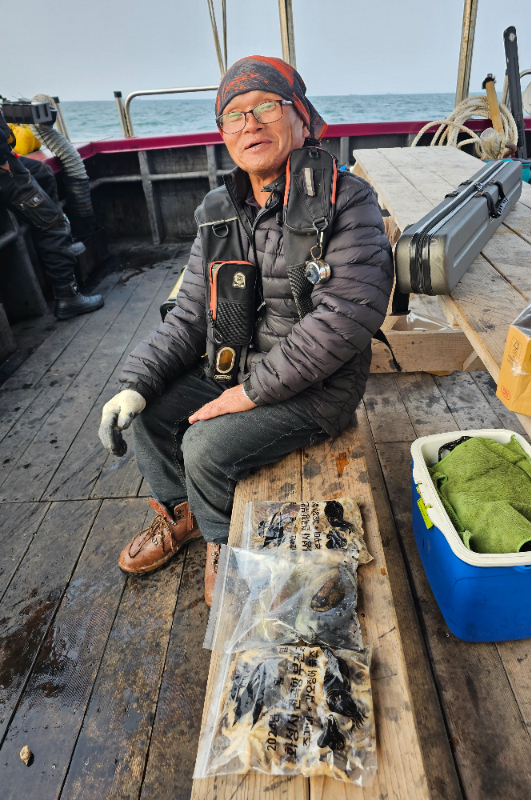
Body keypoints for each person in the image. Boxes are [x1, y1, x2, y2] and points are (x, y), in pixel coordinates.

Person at [98, 56, 393, 605]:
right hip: (234, 365)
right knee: (148, 414)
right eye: (234, 115)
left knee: (204, 445)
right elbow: (190, 313)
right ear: (224, 133)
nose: (250, 124)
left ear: (301, 118)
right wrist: (136, 382)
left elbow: (342, 319)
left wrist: (247, 394)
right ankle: (181, 512)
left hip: (318, 388)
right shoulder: (218, 210)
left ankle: (221, 541)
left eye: (266, 107)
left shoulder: (347, 201)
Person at [0, 108, 104, 320]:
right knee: (53, 225)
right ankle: (68, 297)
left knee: (44, 173)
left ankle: (64, 242)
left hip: (8, 157)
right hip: (3, 166)